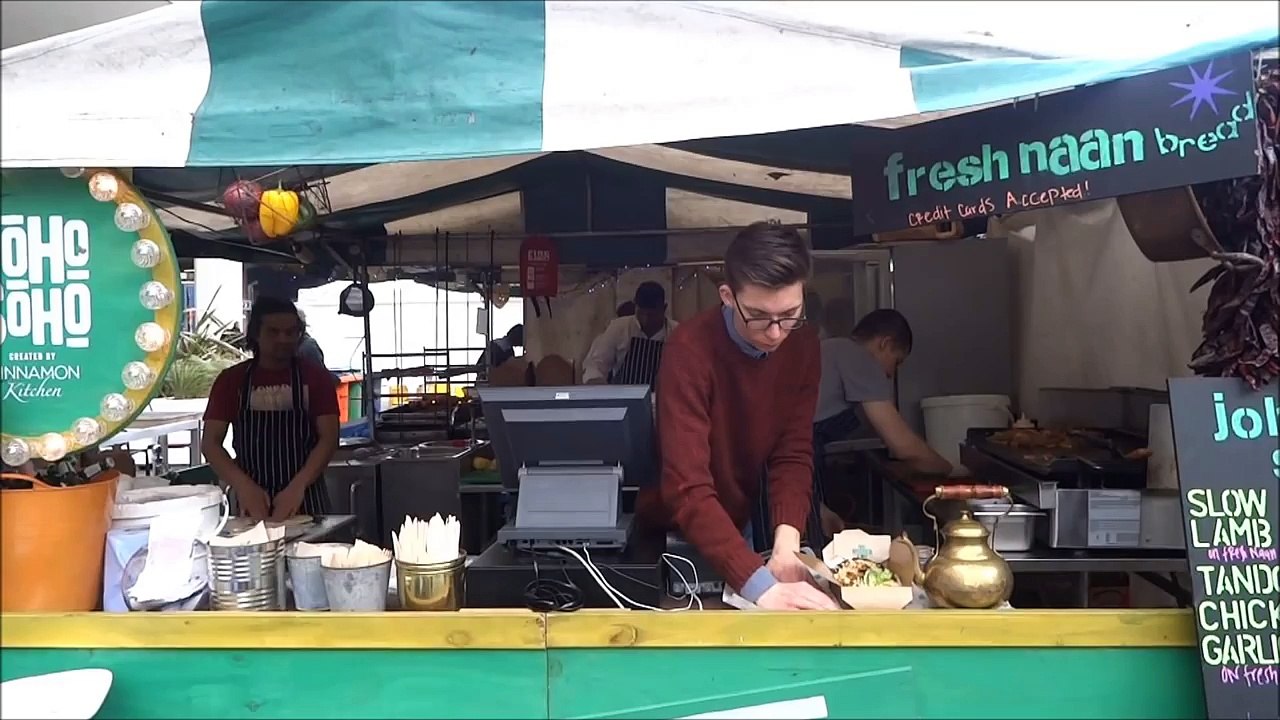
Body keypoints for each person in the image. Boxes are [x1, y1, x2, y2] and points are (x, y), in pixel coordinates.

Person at [641, 222, 838, 611]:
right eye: (760, 316)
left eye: (790, 313)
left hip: (740, 513)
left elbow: (793, 452)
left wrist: (787, 547)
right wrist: (762, 587)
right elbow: (687, 486)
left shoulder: (803, 344)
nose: (777, 332)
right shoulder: (689, 350)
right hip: (676, 523)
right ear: (728, 296)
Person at [200, 296, 340, 521]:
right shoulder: (231, 381)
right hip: (251, 502)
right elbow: (210, 443)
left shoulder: (316, 378)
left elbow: (329, 439)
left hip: (307, 499)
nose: (283, 339)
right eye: (273, 332)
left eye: (290, 332)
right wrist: (243, 487)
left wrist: (298, 486)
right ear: (256, 333)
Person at [814, 308, 953, 484]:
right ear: (885, 343)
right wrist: (949, 469)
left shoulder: (831, 349)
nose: (890, 374)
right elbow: (904, 446)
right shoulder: (860, 359)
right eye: (897, 362)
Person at [583, 282, 678, 386]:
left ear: (664, 308)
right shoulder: (619, 328)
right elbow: (596, 364)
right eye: (641, 313)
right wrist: (596, 381)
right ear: (635, 306)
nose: (645, 320)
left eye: (652, 315)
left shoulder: (677, 332)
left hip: (663, 399)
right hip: (624, 398)